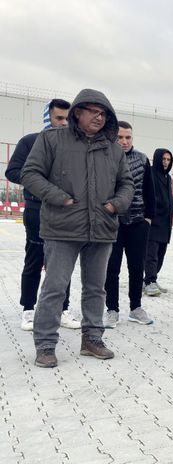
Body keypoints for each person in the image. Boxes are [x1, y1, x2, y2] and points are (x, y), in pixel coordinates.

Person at [20, 88, 134, 368]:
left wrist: (115, 205)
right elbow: (29, 173)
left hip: (102, 227)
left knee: (96, 288)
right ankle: (45, 343)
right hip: (62, 226)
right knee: (55, 287)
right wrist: (60, 198)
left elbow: (127, 184)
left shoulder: (113, 150)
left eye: (103, 113)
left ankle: (92, 338)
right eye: (93, 111)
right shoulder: (51, 140)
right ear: (77, 112)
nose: (99, 117)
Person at [5, 98, 80, 331]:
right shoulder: (30, 142)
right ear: (48, 117)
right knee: (35, 260)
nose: (64, 123)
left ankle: (63, 309)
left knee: (62, 264)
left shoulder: (75, 146)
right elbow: (14, 171)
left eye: (68, 119)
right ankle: (28, 309)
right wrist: (42, 183)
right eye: (59, 118)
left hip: (66, 213)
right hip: (38, 211)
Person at [103, 121, 155, 327]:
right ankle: (112, 310)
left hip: (137, 223)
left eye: (128, 137)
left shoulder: (142, 159)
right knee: (111, 268)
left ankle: (135, 308)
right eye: (120, 138)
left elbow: (150, 191)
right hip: (112, 222)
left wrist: (148, 219)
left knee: (136, 267)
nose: (124, 142)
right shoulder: (105, 157)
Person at [144, 148, 173, 297]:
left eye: (168, 160)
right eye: (163, 159)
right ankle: (150, 282)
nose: (165, 162)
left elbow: (169, 197)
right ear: (157, 159)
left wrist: (172, 208)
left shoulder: (167, 178)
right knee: (151, 254)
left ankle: (150, 280)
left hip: (165, 223)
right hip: (153, 221)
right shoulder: (149, 173)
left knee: (161, 254)